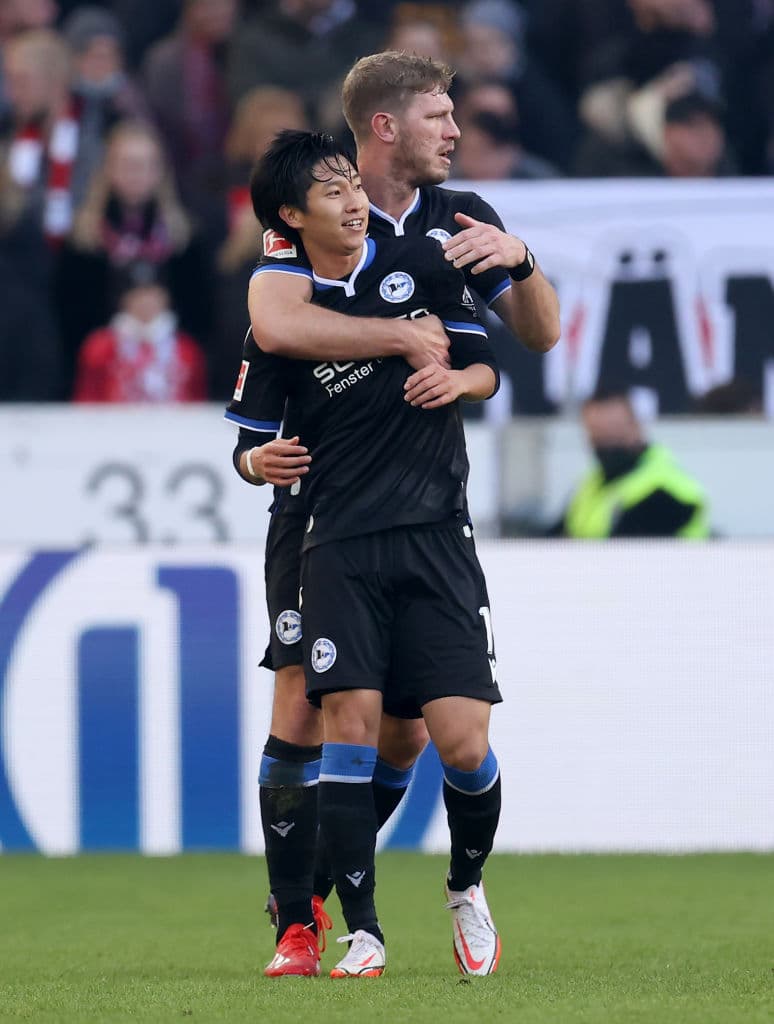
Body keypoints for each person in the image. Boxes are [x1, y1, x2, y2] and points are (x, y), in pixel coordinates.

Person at [241, 52, 560, 977]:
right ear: (385, 126)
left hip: (424, 510)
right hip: (320, 511)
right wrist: (402, 334)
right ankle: (300, 916)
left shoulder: (464, 220)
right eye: (439, 116)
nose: (456, 131)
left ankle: (325, 877)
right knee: (305, 708)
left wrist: (521, 261)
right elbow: (276, 325)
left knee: (413, 729)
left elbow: (535, 336)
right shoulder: (310, 212)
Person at [553, 388, 710, 537]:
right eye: (596, 433)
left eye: (612, 431)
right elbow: (554, 536)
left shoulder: (667, 490)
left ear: (636, 427)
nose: (605, 441)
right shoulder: (591, 483)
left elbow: (628, 552)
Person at [73, 260, 208, 403]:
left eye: (152, 293)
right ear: (123, 299)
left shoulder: (187, 349)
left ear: (166, 297)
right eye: (137, 294)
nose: (145, 301)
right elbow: (86, 401)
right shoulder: (99, 347)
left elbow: (198, 401)